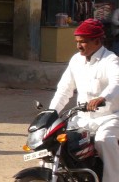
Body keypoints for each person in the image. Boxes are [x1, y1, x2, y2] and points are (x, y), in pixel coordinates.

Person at [48, 18, 119, 180]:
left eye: (83, 42)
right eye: (77, 42)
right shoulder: (76, 60)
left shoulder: (111, 60)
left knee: (104, 140)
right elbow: (64, 90)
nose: (78, 46)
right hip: (81, 120)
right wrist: (51, 113)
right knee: (55, 141)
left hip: (110, 118)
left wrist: (103, 97)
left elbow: (117, 82)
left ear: (97, 41)